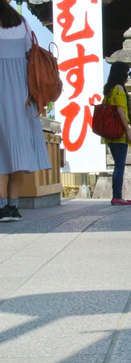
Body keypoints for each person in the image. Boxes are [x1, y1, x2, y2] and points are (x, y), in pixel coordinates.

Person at [0, 1, 51, 222]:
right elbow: (32, 51)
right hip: (22, 92)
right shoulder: (21, 22)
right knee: (18, 151)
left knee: (1, 154)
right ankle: (13, 206)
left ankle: (1, 206)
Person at [101, 61, 131, 205]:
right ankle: (117, 195)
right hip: (119, 132)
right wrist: (128, 130)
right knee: (120, 166)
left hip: (109, 133)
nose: (127, 75)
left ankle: (116, 195)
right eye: (126, 72)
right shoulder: (119, 89)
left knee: (117, 165)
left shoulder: (108, 90)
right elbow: (120, 110)